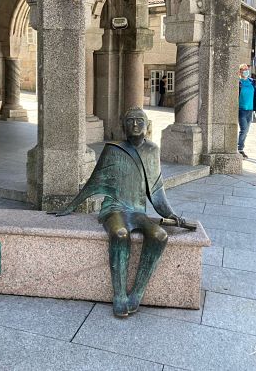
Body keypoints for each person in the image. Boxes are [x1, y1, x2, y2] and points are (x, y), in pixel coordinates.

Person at [51, 107, 191, 318]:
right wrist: (70, 207)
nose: (135, 124)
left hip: (137, 210)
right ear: (123, 126)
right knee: (119, 233)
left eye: (139, 120)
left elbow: (156, 189)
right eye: (130, 120)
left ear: (147, 125)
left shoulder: (152, 150)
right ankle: (119, 295)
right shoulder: (112, 149)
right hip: (114, 208)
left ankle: (137, 292)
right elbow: (92, 183)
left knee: (159, 235)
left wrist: (170, 214)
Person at [238, 64, 256, 158]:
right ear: (240, 71)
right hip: (241, 109)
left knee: (246, 130)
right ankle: (240, 149)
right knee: (244, 130)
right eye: (244, 69)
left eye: (247, 69)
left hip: (250, 110)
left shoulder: (252, 82)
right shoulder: (238, 82)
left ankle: (239, 147)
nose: (246, 71)